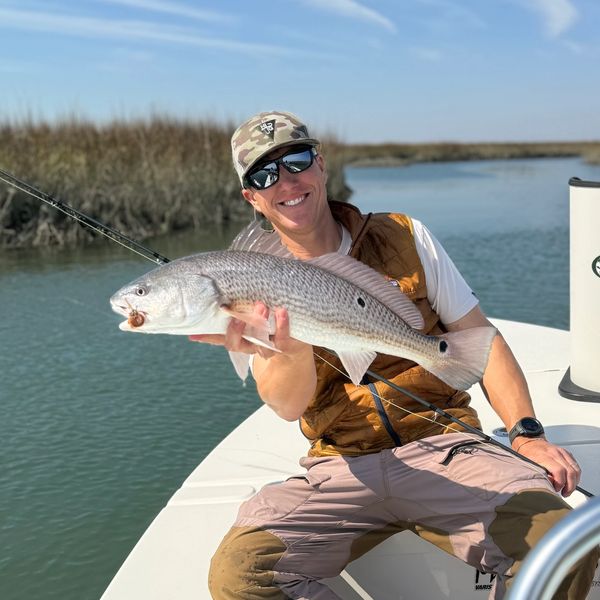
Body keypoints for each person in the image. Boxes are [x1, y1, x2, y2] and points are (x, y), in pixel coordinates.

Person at [191, 110, 598, 599]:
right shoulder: (251, 277)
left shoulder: (404, 236)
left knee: (562, 546)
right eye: (264, 174)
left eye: (296, 159)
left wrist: (527, 434)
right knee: (241, 575)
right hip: (340, 464)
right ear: (251, 197)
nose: (286, 181)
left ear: (321, 165)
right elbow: (287, 405)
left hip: (447, 444)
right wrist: (292, 345)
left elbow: (481, 341)